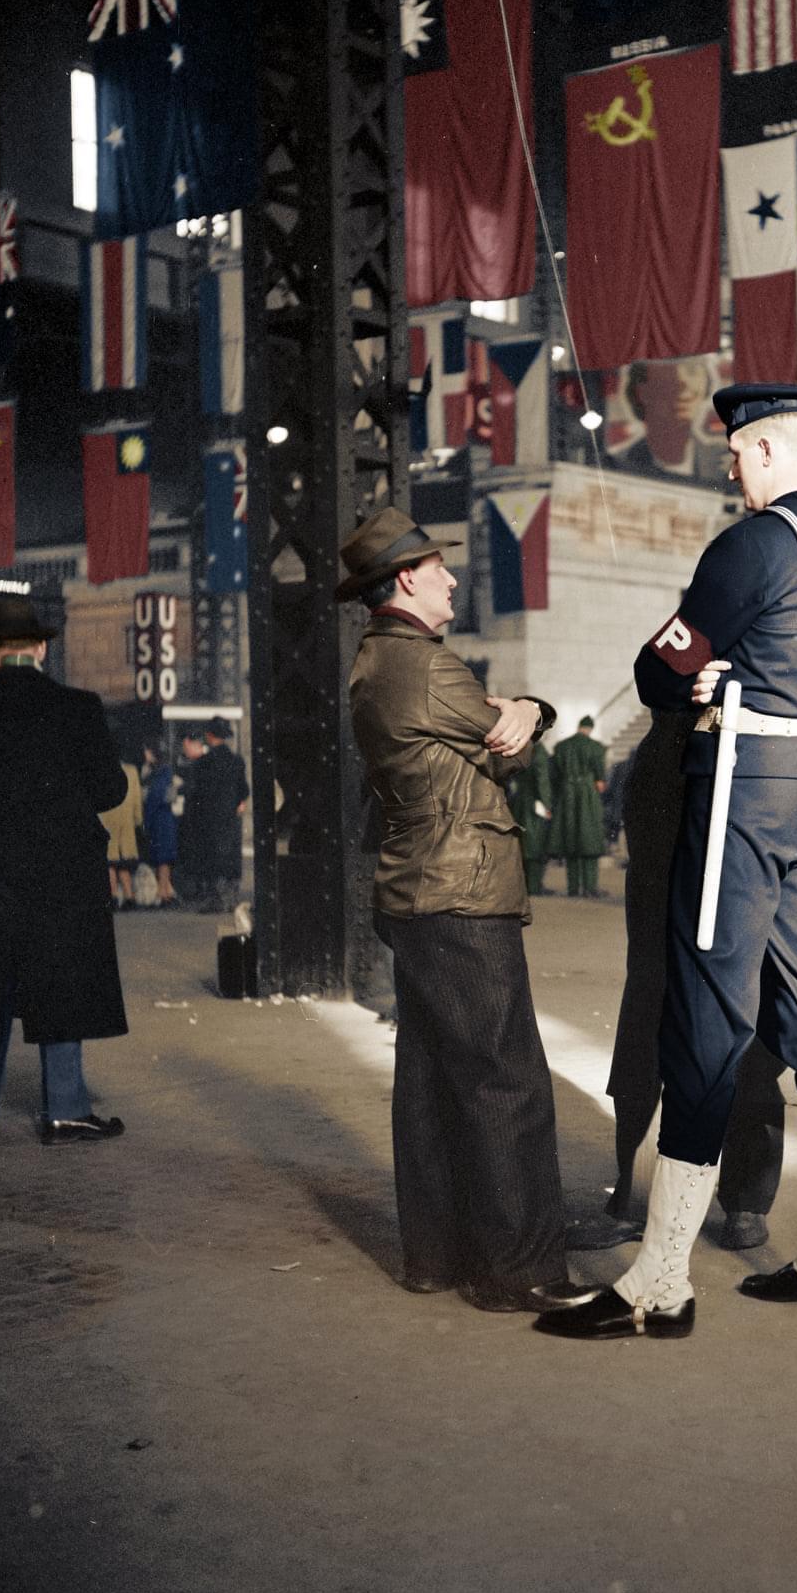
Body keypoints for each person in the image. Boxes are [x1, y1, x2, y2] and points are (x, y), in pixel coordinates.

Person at [537, 380, 797, 1341]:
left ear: (768, 449)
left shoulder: (753, 543)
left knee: (703, 1010)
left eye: (736, 449)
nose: (728, 462)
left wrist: (707, 669)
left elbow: (658, 671)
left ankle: (660, 1279)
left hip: (743, 783)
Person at [339, 508, 590, 1318]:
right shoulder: (422, 664)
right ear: (407, 578)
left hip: (418, 890)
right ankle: (519, 1268)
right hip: (461, 890)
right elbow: (507, 734)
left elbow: (498, 732)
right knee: (504, 1077)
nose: (452, 578)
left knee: (430, 1078)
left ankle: (436, 1255)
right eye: (439, 568)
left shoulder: (379, 662)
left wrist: (525, 707)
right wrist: (528, 705)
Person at [566, 703, 790, 1257]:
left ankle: (744, 1197)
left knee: (749, 1031)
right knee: (649, 1025)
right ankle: (638, 1192)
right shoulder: (664, 734)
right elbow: (654, 672)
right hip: (674, 786)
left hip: (752, 768)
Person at [0, 596, 128, 1145]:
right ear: (41, 649)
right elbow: (111, 791)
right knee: (61, 983)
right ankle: (65, 1110)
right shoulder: (80, 707)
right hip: (60, 874)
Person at [178, 716, 248, 911]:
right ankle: (230, 900)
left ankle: (213, 900)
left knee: (209, 859)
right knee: (229, 859)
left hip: (207, 820)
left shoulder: (202, 764)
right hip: (229, 820)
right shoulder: (236, 761)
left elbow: (193, 794)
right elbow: (244, 790)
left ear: (209, 736)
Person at [550, 716, 607, 897]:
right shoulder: (596, 747)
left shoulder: (561, 747)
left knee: (570, 840)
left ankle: (573, 888)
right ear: (590, 728)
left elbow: (554, 776)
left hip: (566, 795)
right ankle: (590, 888)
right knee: (589, 840)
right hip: (587, 795)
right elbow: (600, 782)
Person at [99, 742, 144, 909]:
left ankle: (113, 896)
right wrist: (138, 819)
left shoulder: (100, 771)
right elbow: (136, 798)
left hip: (106, 818)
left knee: (110, 861)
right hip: (126, 820)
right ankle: (129, 896)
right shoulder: (131, 770)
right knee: (124, 861)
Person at [507, 739, 554, 896]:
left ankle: (525, 885)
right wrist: (547, 805)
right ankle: (534, 886)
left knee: (523, 844)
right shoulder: (538, 751)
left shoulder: (519, 747)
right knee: (536, 844)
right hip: (535, 804)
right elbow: (542, 779)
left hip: (519, 801)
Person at [141, 740, 180, 906]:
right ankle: (166, 890)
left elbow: (155, 797)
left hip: (160, 820)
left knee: (162, 858)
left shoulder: (159, 774)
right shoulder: (163, 772)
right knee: (163, 858)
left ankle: (163, 892)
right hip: (164, 819)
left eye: (147, 751)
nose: (145, 755)